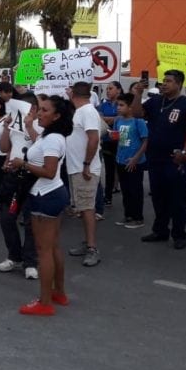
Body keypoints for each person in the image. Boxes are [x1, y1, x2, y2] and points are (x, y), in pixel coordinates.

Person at [9, 95, 73, 316]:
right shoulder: (49, 136)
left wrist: (22, 163)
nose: (39, 113)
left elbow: (49, 171)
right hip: (51, 194)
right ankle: (58, 293)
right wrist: (28, 127)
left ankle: (45, 302)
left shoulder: (54, 138)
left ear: (56, 116)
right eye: (40, 109)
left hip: (46, 195)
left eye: (44, 110)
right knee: (53, 247)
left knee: (43, 250)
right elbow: (39, 145)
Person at [132, 70, 186, 249]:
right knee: (158, 196)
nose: (164, 84)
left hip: (176, 160)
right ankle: (160, 230)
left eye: (168, 81)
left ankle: (179, 234)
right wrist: (138, 94)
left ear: (179, 84)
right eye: (163, 80)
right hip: (155, 158)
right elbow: (137, 114)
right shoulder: (155, 101)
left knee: (177, 198)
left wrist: (185, 153)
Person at [0, 93, 42, 279]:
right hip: (13, 176)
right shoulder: (14, 124)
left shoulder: (42, 126)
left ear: (33, 109)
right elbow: (3, 147)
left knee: (31, 221)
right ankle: (14, 256)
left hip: (33, 176)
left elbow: (41, 145)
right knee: (7, 217)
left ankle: (30, 261)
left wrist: (30, 125)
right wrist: (7, 128)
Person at [66, 82, 103, 267]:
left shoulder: (87, 111)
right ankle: (86, 242)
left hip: (84, 169)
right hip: (76, 168)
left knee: (87, 209)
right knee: (82, 208)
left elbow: (94, 138)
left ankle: (92, 247)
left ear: (73, 92)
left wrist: (87, 164)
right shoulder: (81, 111)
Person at [113, 93, 148, 229]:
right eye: (118, 105)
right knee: (126, 191)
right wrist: (113, 136)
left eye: (121, 105)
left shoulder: (138, 121)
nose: (118, 108)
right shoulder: (118, 120)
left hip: (134, 162)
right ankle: (128, 215)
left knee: (135, 191)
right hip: (121, 160)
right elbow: (118, 137)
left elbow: (145, 141)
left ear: (130, 107)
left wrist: (135, 158)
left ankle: (138, 218)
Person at [98, 81, 123, 205]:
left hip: (122, 142)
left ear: (118, 90)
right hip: (107, 141)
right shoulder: (103, 104)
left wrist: (110, 119)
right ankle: (108, 197)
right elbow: (99, 118)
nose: (107, 91)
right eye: (107, 88)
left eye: (111, 88)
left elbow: (122, 117)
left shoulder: (122, 103)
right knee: (109, 170)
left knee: (122, 170)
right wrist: (114, 118)